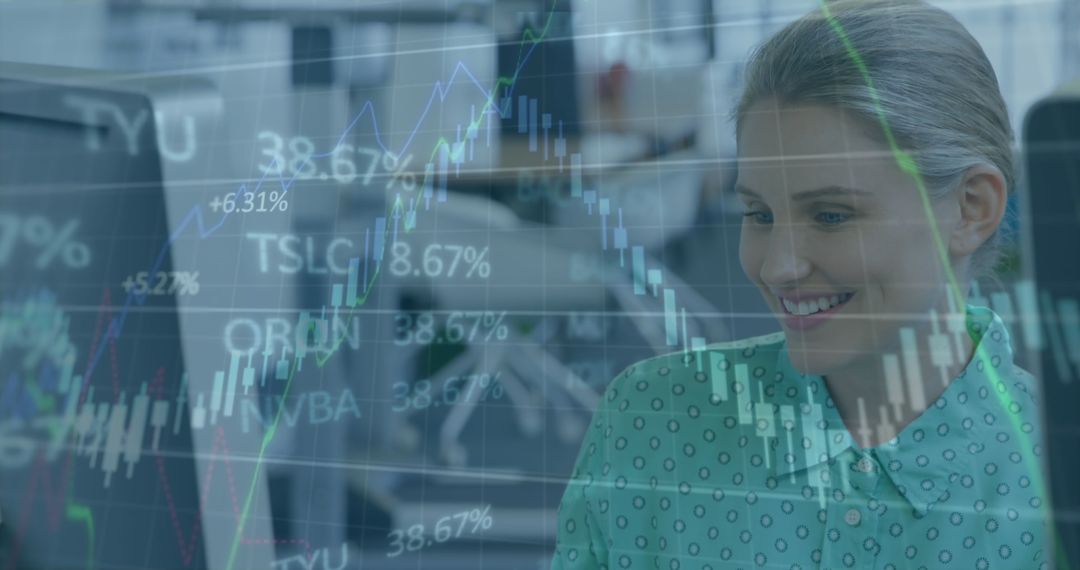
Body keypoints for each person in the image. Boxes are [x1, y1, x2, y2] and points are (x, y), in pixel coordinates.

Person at [551, 1, 1049, 568]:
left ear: (970, 209)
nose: (777, 267)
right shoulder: (652, 420)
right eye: (759, 215)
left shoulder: (1055, 469)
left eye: (832, 215)